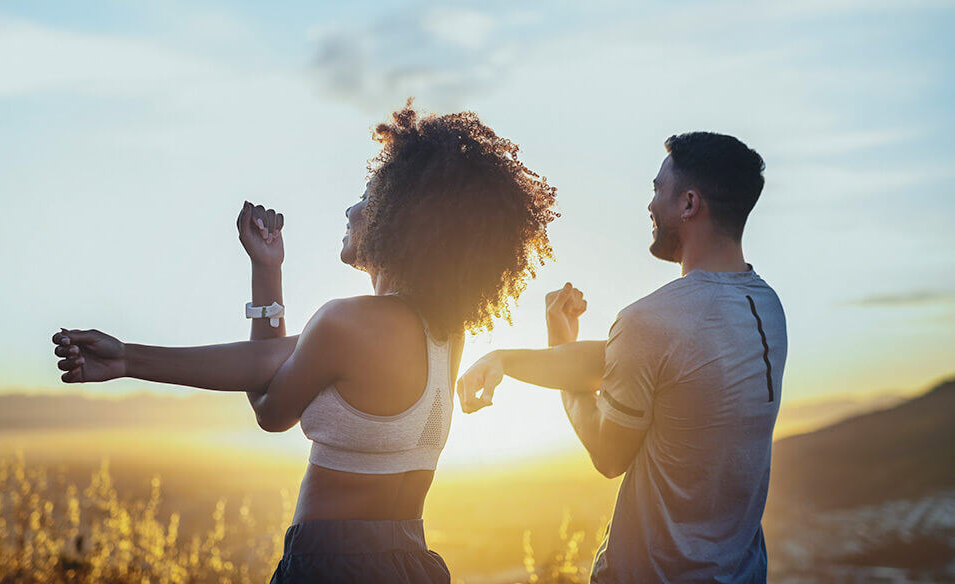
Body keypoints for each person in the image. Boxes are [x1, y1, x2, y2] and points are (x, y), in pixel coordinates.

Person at [51, 102, 558, 584]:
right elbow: (270, 360)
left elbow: (269, 405)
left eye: (370, 196)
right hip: (411, 563)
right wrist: (266, 271)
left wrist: (127, 360)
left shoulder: (349, 322)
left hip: (332, 567)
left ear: (402, 216)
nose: (352, 208)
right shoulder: (444, 334)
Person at [458, 131, 786, 583]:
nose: (650, 205)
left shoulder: (651, 320)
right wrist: (508, 358)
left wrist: (554, 353)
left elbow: (607, 454)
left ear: (689, 204)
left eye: (657, 190)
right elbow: (652, 365)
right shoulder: (766, 308)